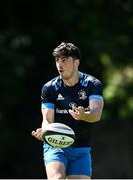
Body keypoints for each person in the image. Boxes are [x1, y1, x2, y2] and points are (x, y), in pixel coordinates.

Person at [31, 42, 104, 179]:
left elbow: (96, 114)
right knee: (56, 178)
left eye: (64, 60)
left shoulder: (92, 84)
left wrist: (84, 115)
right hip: (55, 143)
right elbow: (47, 119)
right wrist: (45, 131)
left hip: (81, 147)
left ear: (76, 63)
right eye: (57, 60)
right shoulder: (50, 88)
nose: (59, 64)